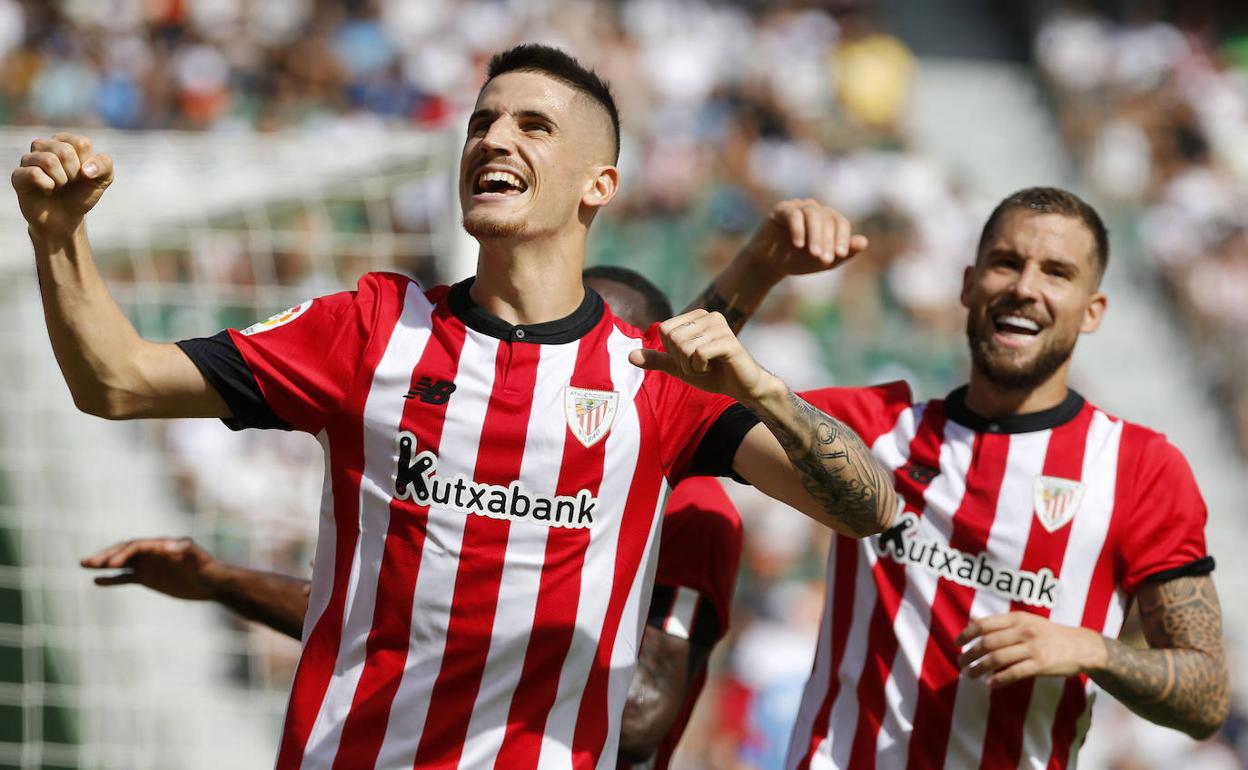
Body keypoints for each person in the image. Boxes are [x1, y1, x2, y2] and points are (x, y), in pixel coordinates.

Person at [14, 44, 896, 769]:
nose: (492, 138)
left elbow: (870, 507)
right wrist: (58, 236)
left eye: (532, 125)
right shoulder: (368, 328)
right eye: (482, 122)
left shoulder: (650, 376)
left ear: (599, 185)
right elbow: (118, 381)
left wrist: (765, 391)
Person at [79, 267, 745, 770]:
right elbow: (413, 626)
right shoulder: (483, 456)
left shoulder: (691, 512)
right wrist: (222, 581)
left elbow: (638, 721)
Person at [702, 186, 1228, 769]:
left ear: (1093, 310)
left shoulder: (1139, 469)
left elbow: (1205, 696)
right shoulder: (867, 431)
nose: (1025, 287)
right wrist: (759, 265)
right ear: (968, 284)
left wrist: (1090, 649)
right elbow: (670, 400)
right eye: (1007, 263)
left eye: (1057, 272)